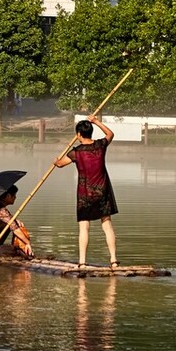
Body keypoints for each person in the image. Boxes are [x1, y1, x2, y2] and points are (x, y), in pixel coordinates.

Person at [54, 114, 118, 268]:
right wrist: (96, 121)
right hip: (102, 191)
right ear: (90, 132)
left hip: (85, 194)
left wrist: (56, 160)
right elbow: (110, 134)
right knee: (107, 224)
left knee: (84, 226)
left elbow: (60, 164)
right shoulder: (100, 146)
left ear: (78, 135)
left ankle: (82, 262)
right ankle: (114, 260)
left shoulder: (77, 152)